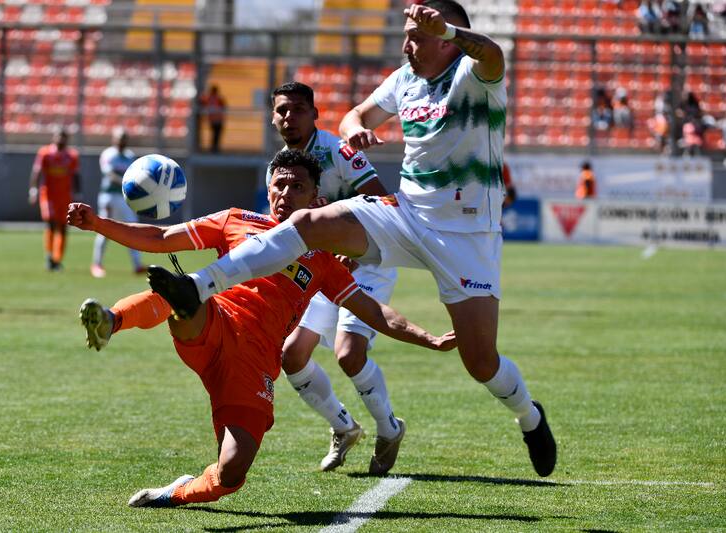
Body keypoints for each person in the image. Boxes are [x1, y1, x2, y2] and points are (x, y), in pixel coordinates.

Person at [154, 1, 557, 478]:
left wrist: (446, 27)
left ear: (448, 37)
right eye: (406, 35)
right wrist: (359, 130)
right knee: (308, 224)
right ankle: (200, 285)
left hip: (468, 235)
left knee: (481, 361)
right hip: (406, 215)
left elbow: (494, 55)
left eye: (418, 36)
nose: (408, 45)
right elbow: (354, 116)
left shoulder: (475, 73)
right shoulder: (404, 79)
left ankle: (530, 417)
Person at [67, 149, 456, 507]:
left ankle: (177, 492)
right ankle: (111, 319)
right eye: (279, 184)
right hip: (218, 321)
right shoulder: (237, 220)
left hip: (256, 362)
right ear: (268, 188)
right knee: (183, 299)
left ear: (315, 197)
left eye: (297, 186)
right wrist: (98, 223)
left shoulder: (321, 259)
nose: (286, 193)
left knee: (232, 473)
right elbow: (161, 237)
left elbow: (374, 312)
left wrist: (431, 338)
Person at [269, 81, 402, 474]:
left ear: (314, 114)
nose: (288, 117)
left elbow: (383, 199)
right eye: (281, 111)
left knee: (348, 352)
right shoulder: (278, 166)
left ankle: (389, 428)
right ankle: (344, 427)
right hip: (325, 267)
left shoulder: (339, 151)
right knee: (292, 355)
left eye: (297, 109)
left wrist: (354, 239)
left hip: (368, 258)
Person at [90, 127, 144, 278]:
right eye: (120, 138)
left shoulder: (129, 156)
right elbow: (109, 173)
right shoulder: (109, 154)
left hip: (125, 198)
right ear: (114, 139)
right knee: (104, 230)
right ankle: (97, 264)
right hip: (109, 196)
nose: (122, 141)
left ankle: (137, 264)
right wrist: (125, 182)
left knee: (134, 229)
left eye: (124, 138)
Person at [28, 127, 80, 271]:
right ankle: (49, 256)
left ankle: (58, 258)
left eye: (64, 136)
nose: (61, 139)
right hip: (48, 195)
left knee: (63, 227)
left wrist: (78, 193)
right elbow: (37, 172)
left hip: (65, 196)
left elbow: (76, 175)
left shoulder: (72, 155)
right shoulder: (45, 153)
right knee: (50, 223)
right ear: (53, 137)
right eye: (59, 136)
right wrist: (33, 189)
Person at [200, 85, 226, 153]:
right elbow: (224, 106)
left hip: (212, 119)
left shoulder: (208, 98)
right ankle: (215, 148)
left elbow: (202, 102)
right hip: (218, 119)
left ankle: (213, 148)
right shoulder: (219, 98)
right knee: (217, 135)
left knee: (214, 134)